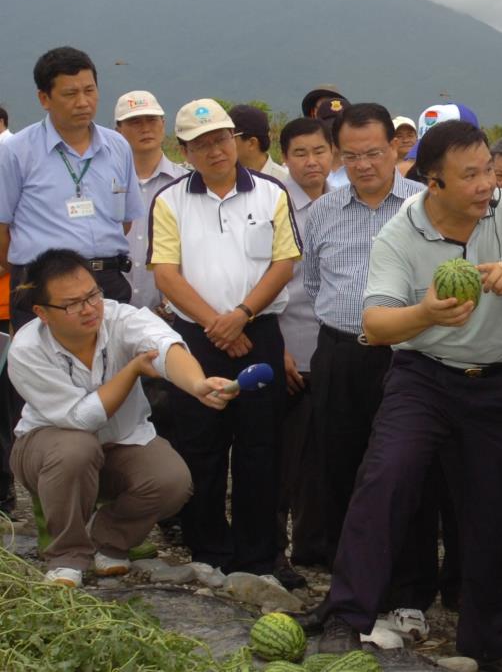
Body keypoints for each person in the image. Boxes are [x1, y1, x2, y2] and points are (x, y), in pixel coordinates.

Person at [305, 119, 502, 672]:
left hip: (498, 380)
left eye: (489, 171)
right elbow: (374, 324)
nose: (485, 184)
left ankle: (491, 644)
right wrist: (424, 313)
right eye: (469, 174)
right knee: (386, 478)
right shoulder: (401, 231)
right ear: (432, 182)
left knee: (493, 510)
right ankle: (346, 616)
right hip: (423, 376)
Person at [6, 249, 233, 587]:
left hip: (120, 444)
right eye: (72, 304)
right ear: (42, 312)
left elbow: (166, 346)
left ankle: (110, 539)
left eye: (92, 295)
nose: (89, 309)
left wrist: (198, 384)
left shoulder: (121, 317)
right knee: (76, 449)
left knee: (172, 480)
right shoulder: (26, 350)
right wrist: (132, 370)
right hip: (48, 452)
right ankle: (66, 555)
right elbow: (81, 419)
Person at [149, 98, 299, 575]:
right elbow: (166, 275)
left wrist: (242, 314)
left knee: (261, 446)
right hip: (197, 339)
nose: (214, 150)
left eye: (221, 138)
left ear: (234, 139)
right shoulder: (170, 200)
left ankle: (258, 556)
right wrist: (218, 324)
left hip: (260, 332)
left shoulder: (271, 193)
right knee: (201, 445)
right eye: (201, 144)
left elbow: (284, 262)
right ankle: (208, 550)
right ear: (184, 150)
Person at [0, 47, 145, 515]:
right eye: (69, 94)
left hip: (107, 282)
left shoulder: (116, 146)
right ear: (44, 98)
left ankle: (117, 510)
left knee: (117, 390)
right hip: (44, 290)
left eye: (90, 90)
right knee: (47, 397)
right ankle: (53, 513)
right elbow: (2, 228)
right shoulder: (17, 151)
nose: (83, 102)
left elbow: (123, 222)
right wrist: (32, 281)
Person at [301, 104, 425, 565]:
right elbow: (314, 282)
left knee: (406, 467)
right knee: (337, 464)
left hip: (408, 354)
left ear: (395, 147)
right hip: (341, 352)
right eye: (351, 156)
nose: (363, 165)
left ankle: (406, 581)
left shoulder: (425, 205)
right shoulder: (322, 211)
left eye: (373, 152)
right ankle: (346, 573)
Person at [273, 116, 334, 587]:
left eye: (319, 151)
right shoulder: (273, 205)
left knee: (326, 454)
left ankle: (317, 546)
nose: (311, 162)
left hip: (334, 349)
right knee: (280, 457)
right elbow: (264, 282)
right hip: (288, 346)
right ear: (285, 158)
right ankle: (273, 552)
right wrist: (278, 350)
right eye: (300, 154)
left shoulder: (344, 203)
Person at [114, 91, 187, 315]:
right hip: (112, 312)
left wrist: (170, 304)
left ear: (163, 123)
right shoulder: (103, 184)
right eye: (134, 122)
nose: (145, 128)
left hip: (172, 314)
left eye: (152, 120)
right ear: (118, 130)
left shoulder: (185, 183)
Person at [229, 104, 290, 183]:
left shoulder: (285, 182)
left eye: (229, 137)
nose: (223, 144)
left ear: (252, 143)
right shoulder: (224, 181)